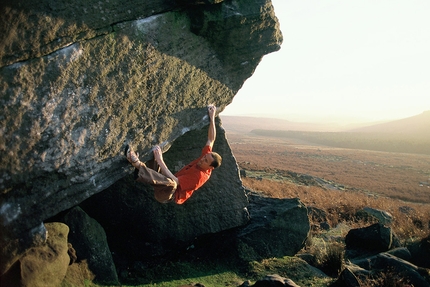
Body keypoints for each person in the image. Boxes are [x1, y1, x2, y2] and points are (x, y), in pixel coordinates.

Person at [125, 105, 222, 204]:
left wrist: (160, 160)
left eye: (205, 160)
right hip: (162, 183)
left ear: (210, 168)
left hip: (167, 195)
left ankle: (137, 164)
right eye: (205, 156)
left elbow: (175, 181)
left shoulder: (199, 177)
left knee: (172, 183)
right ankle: (139, 164)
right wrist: (212, 117)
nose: (202, 159)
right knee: (155, 156)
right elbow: (211, 139)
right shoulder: (208, 156)